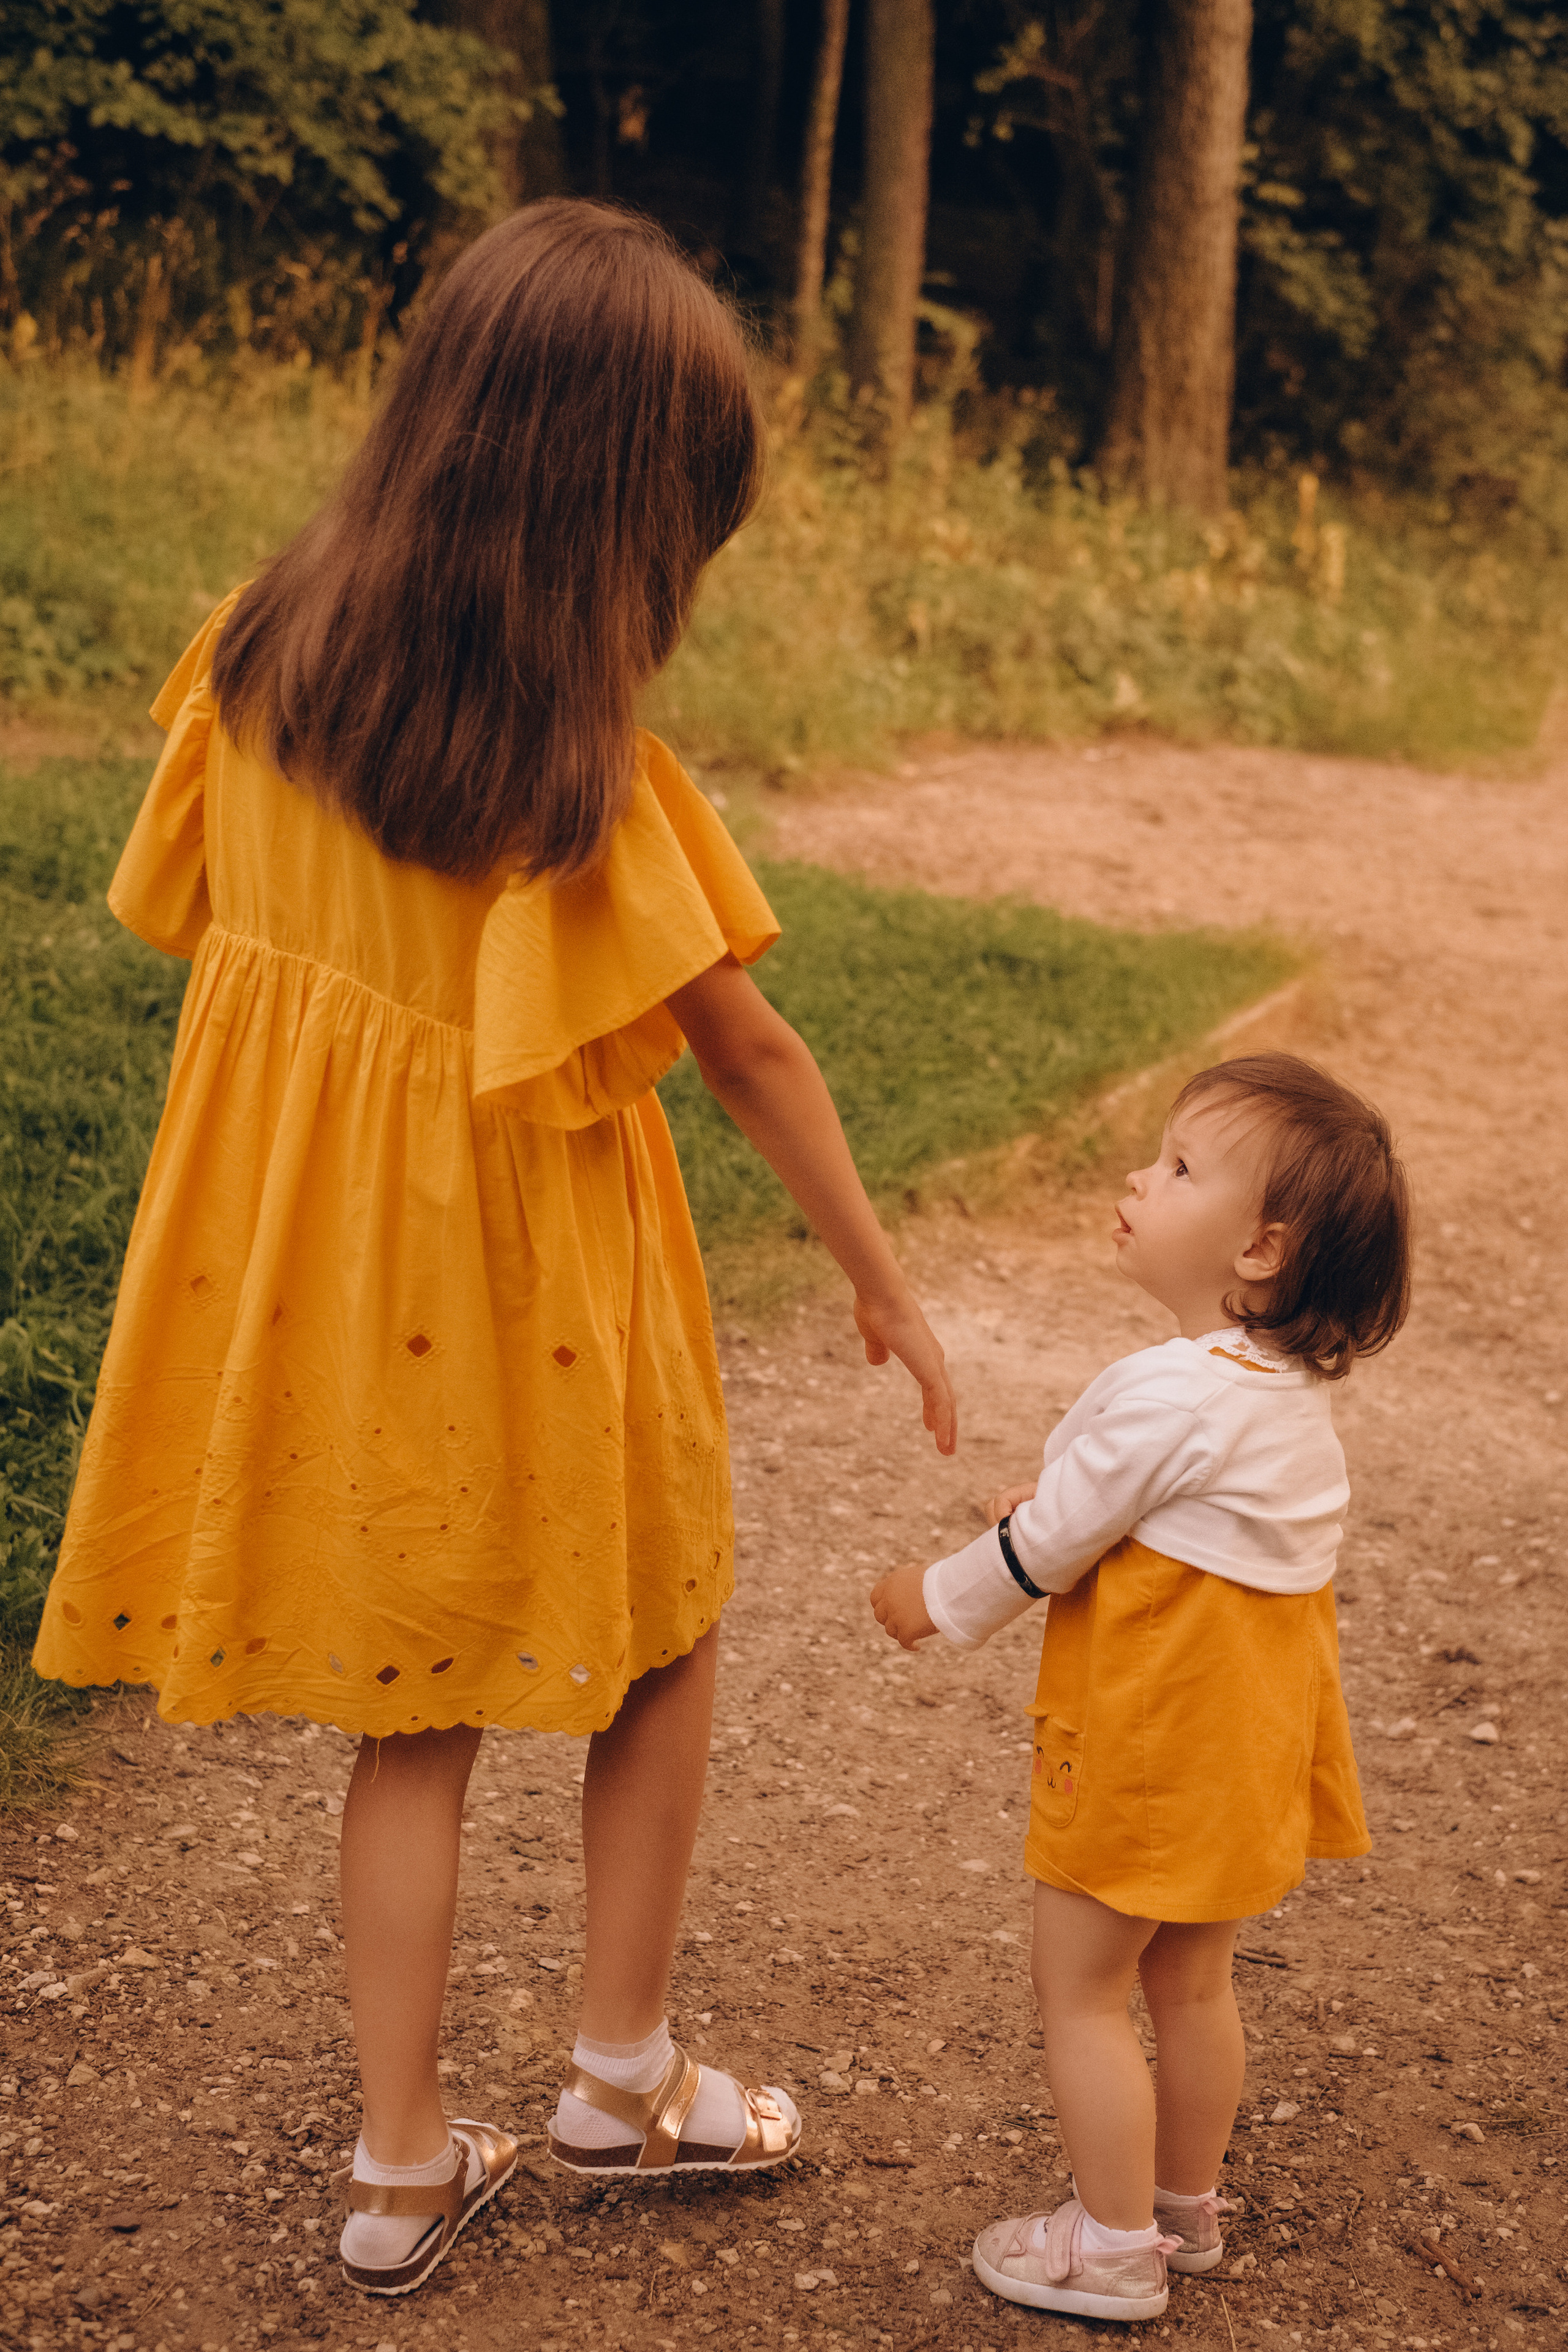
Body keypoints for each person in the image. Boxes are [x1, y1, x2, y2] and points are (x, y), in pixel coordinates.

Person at [32, 199, 956, 2298]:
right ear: (624, 514)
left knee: (409, 1707)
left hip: (323, 1283)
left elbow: (201, 922)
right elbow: (755, 1051)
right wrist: (886, 1287)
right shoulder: (580, 779)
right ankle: (619, 2078)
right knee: (660, 1626)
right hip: (537, 1291)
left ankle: (393, 2165)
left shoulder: (254, 656)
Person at [870, 1053, 1411, 2323]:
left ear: (1260, 1251)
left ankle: (1108, 2248)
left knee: (1080, 1992)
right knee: (1191, 1983)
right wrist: (1061, 1513)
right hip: (1242, 1758)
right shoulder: (1288, 1401)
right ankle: (1180, 2208)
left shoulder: (1166, 1389)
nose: (1137, 1176)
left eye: (1178, 1169)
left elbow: (1048, 1546)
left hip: (1143, 1749)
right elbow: (1156, 1532)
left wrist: (934, 1598)